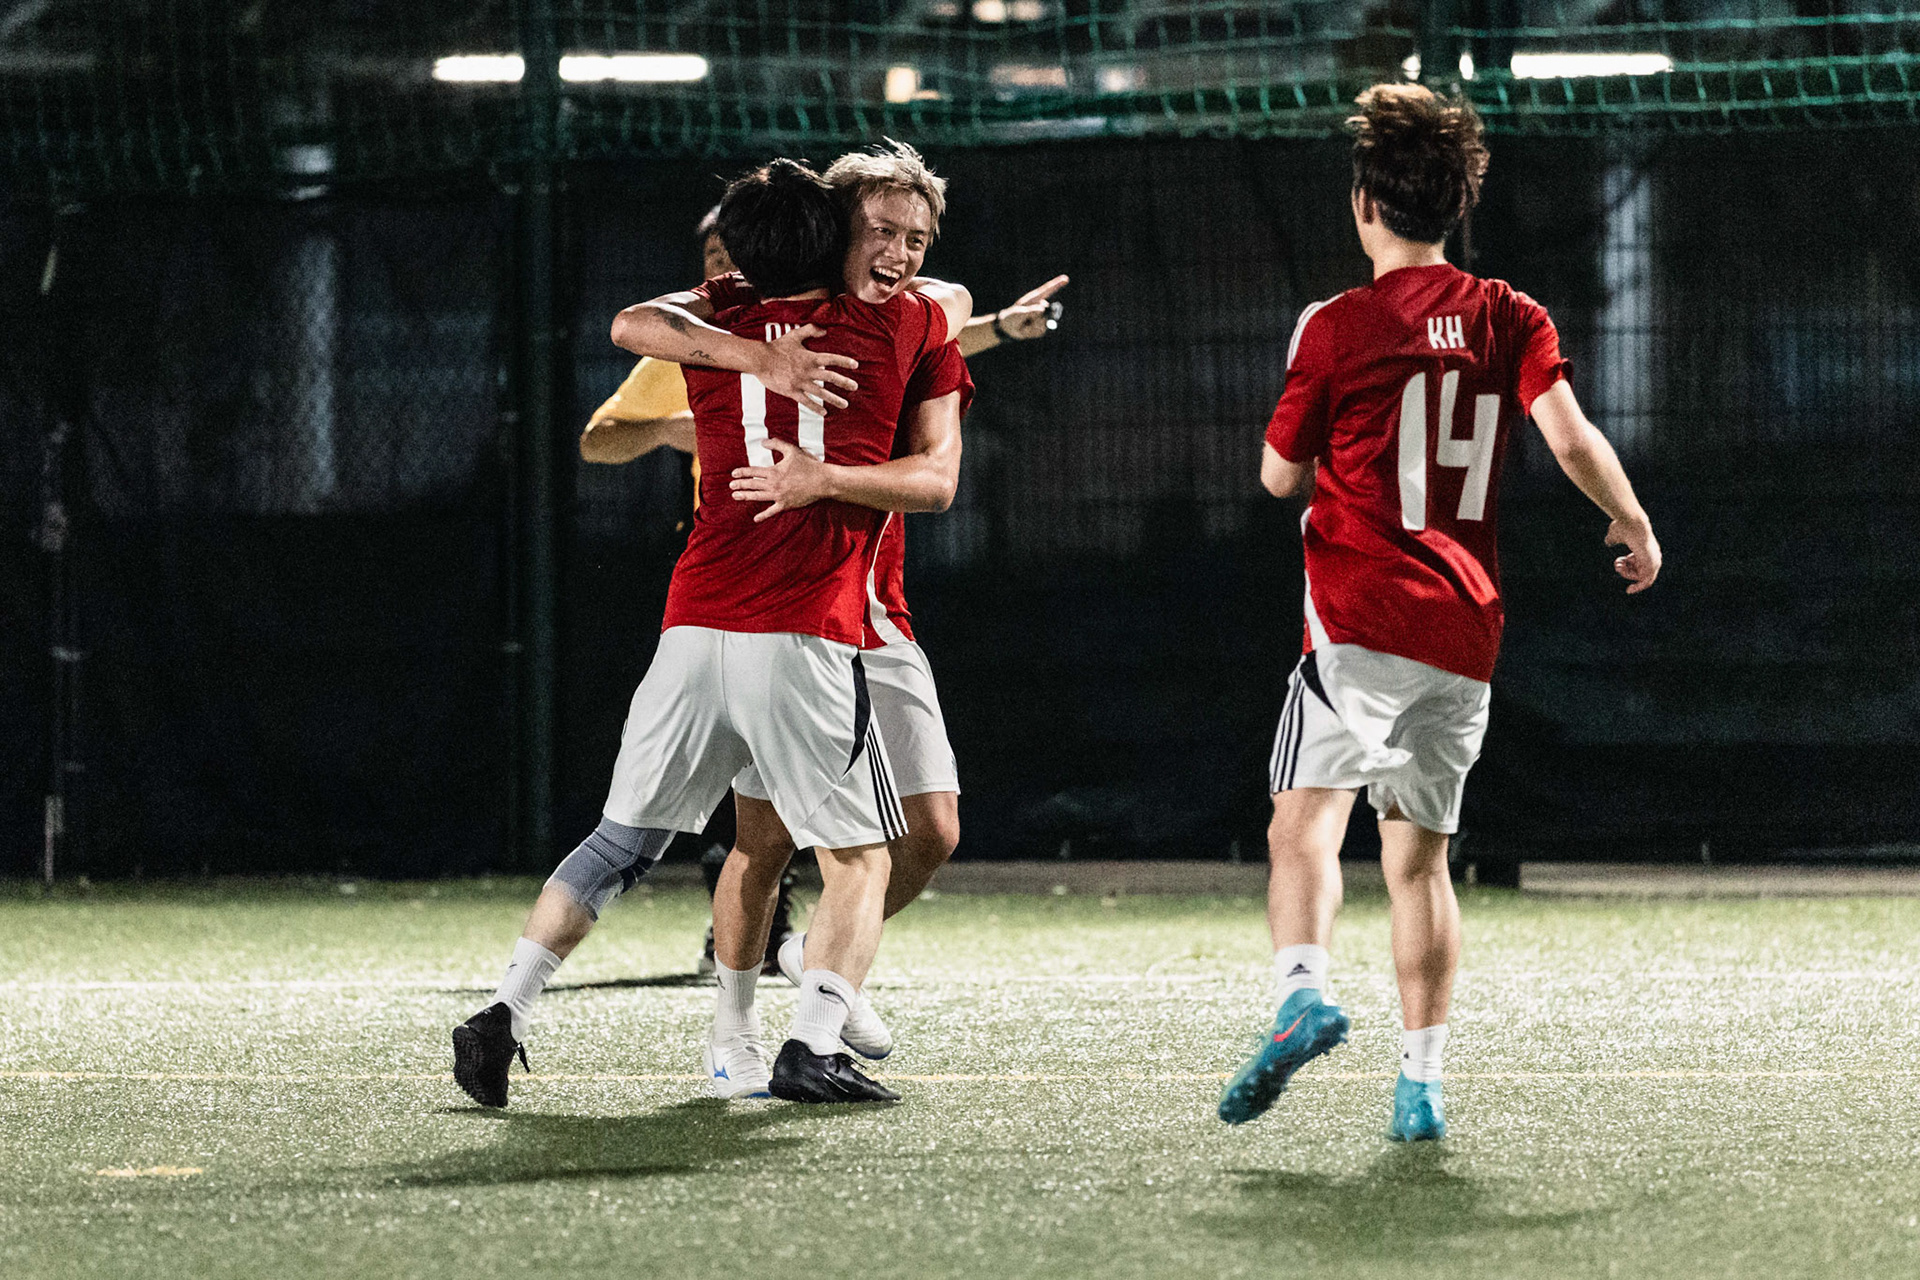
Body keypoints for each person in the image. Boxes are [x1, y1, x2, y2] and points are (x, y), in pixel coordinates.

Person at [453, 157, 970, 1108]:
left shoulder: (720, 315)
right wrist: (791, 400)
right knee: (834, 852)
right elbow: (939, 423)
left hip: (709, 625)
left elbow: (631, 322)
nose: (899, 253)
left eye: (915, 239)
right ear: (832, 233)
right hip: (810, 632)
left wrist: (762, 366)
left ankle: (507, 1007)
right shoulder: (896, 323)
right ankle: (795, 1033)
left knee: (624, 842)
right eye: (880, 233)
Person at [1217, 84, 1661, 1142]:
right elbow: (1570, 437)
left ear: (1366, 201)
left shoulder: (1337, 325)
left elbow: (1280, 477)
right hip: (1463, 633)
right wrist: (1634, 522)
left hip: (1361, 614)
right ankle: (1421, 1084)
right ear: (1457, 206)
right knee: (1418, 860)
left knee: (1302, 827)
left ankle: (1301, 992)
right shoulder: (1512, 315)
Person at [580, 201, 1067, 982]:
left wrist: (1003, 328)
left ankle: (814, 967)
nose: (725, 272)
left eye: (914, 239)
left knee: (921, 830)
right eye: (714, 261)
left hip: (851, 592)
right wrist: (695, 408)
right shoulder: (698, 336)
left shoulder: (853, 324)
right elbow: (613, 392)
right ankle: (757, 1025)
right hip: (741, 587)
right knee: (746, 831)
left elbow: (940, 319)